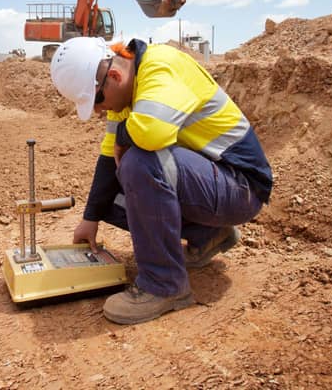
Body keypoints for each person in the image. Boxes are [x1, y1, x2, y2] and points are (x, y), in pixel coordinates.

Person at [50, 36, 273, 325]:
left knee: (139, 162)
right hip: (214, 184)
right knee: (113, 195)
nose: (98, 111)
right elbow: (108, 158)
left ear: (114, 76)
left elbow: (152, 133)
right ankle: (208, 235)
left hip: (242, 186)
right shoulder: (127, 93)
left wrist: (122, 140)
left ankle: (163, 284)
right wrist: (91, 217)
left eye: (97, 101)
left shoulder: (159, 67)